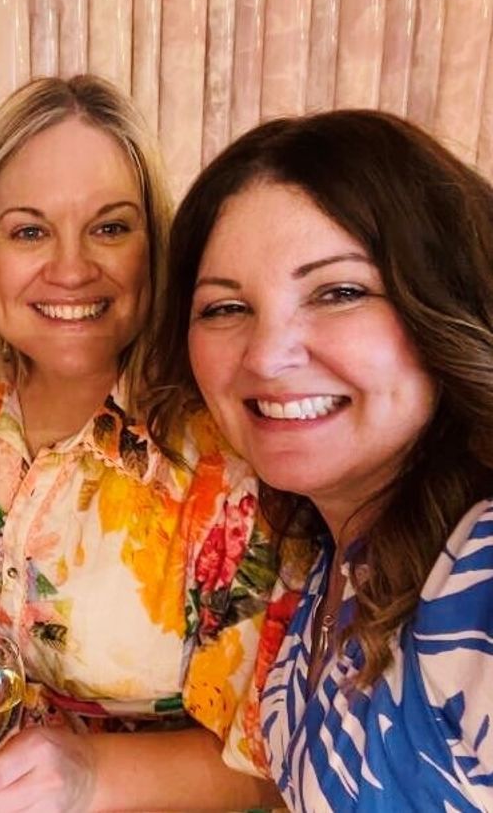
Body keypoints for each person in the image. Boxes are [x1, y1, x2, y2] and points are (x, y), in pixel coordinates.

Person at [0, 75, 283, 811]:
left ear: (157, 250)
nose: (71, 269)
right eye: (29, 231)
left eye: (110, 228)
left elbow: (271, 766)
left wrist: (88, 774)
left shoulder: (229, 461)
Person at [149, 109, 493, 810]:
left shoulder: (477, 571)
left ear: (444, 299)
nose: (267, 356)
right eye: (225, 307)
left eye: (339, 293)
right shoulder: (323, 557)